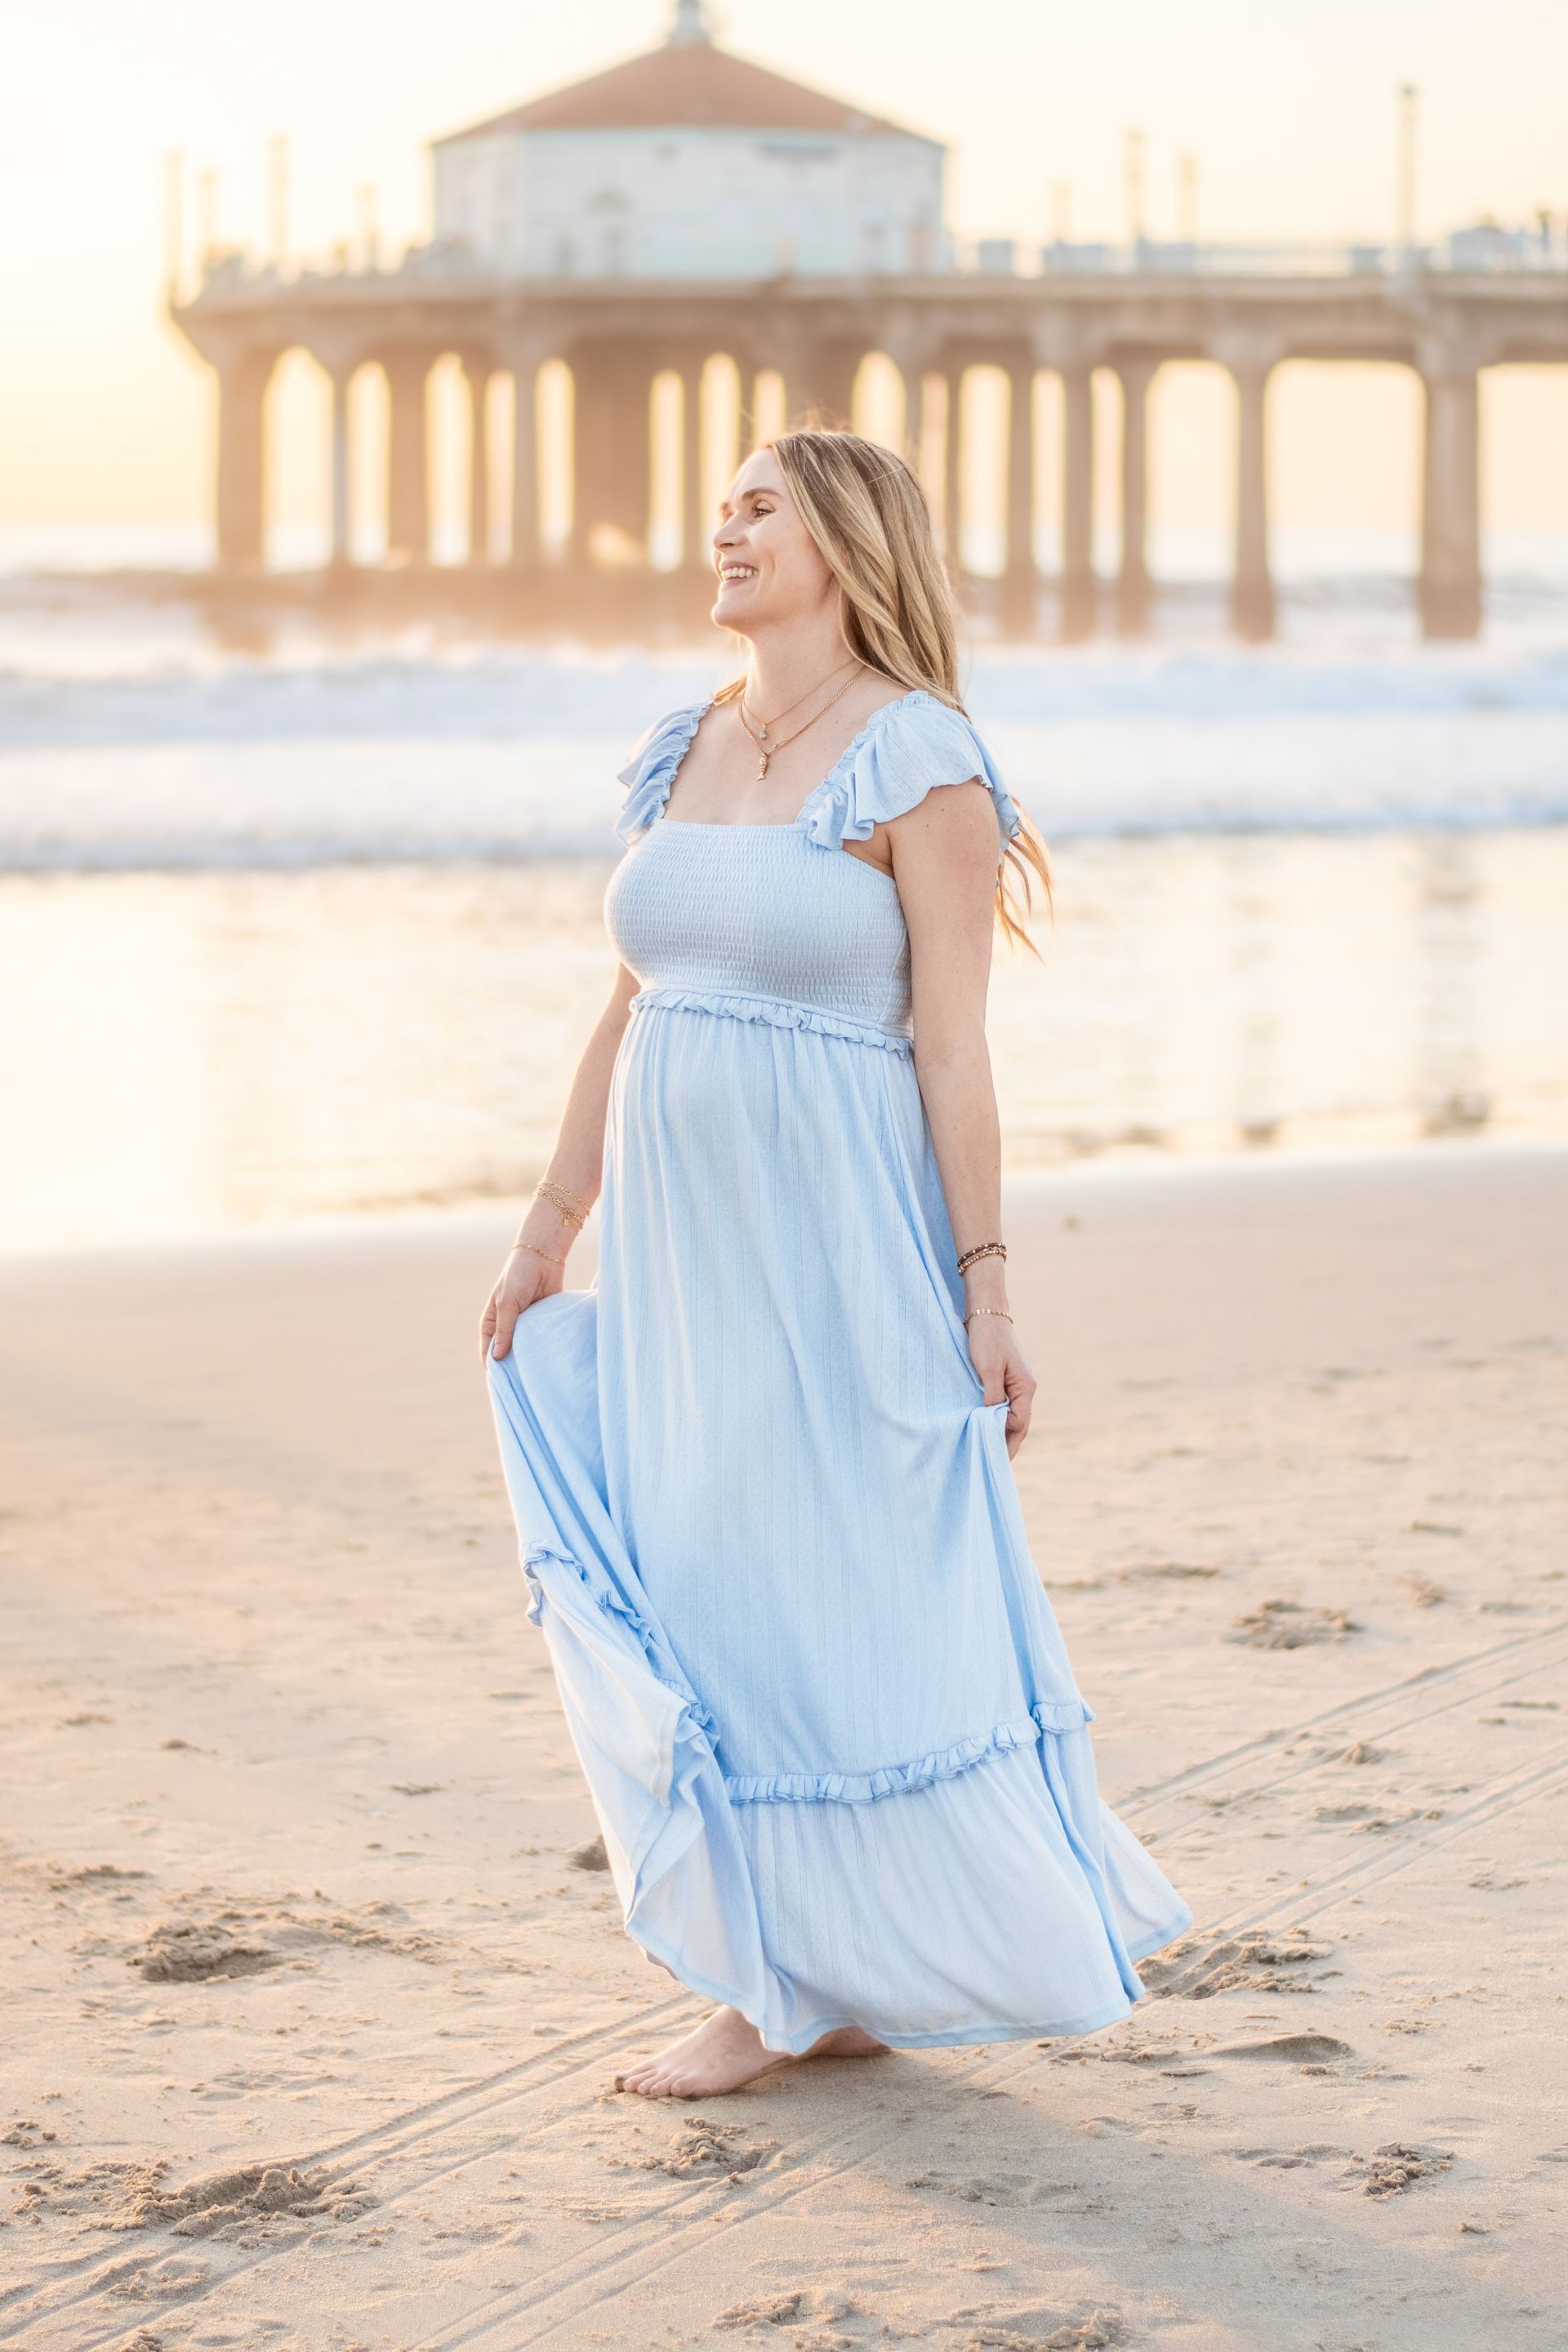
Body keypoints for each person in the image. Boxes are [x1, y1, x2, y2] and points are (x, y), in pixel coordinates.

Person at [482, 427, 1192, 2100]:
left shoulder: (919, 760)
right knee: (702, 1567)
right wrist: (542, 1230)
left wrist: (991, 1286)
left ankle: (799, 1988)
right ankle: (789, 1971)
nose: (722, 529)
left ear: (846, 546)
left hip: (843, 1254)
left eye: (760, 510)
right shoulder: (685, 749)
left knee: (835, 1590)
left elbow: (955, 1051)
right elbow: (627, 1007)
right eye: (721, 504)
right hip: (681, 1259)